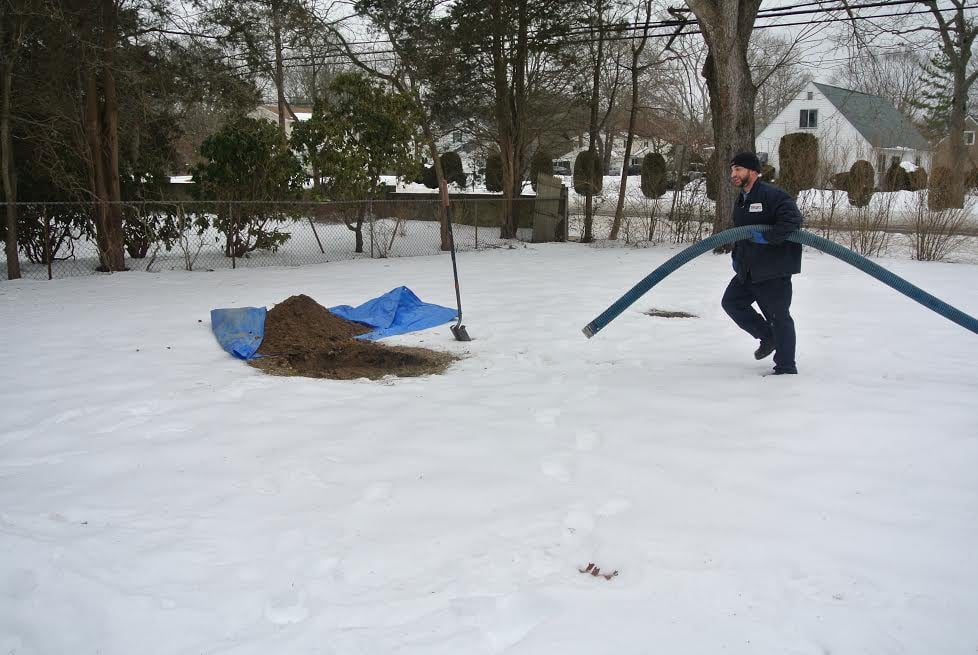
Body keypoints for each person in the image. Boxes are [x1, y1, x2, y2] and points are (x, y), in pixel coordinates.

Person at [722, 151, 802, 375]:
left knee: (778, 317)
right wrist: (737, 259)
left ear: (753, 172)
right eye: (732, 170)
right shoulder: (742, 200)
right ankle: (767, 337)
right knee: (732, 302)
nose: (733, 174)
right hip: (748, 269)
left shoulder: (773, 195)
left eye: (738, 169)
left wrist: (766, 237)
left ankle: (786, 367)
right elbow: (741, 234)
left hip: (772, 270)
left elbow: (792, 221)